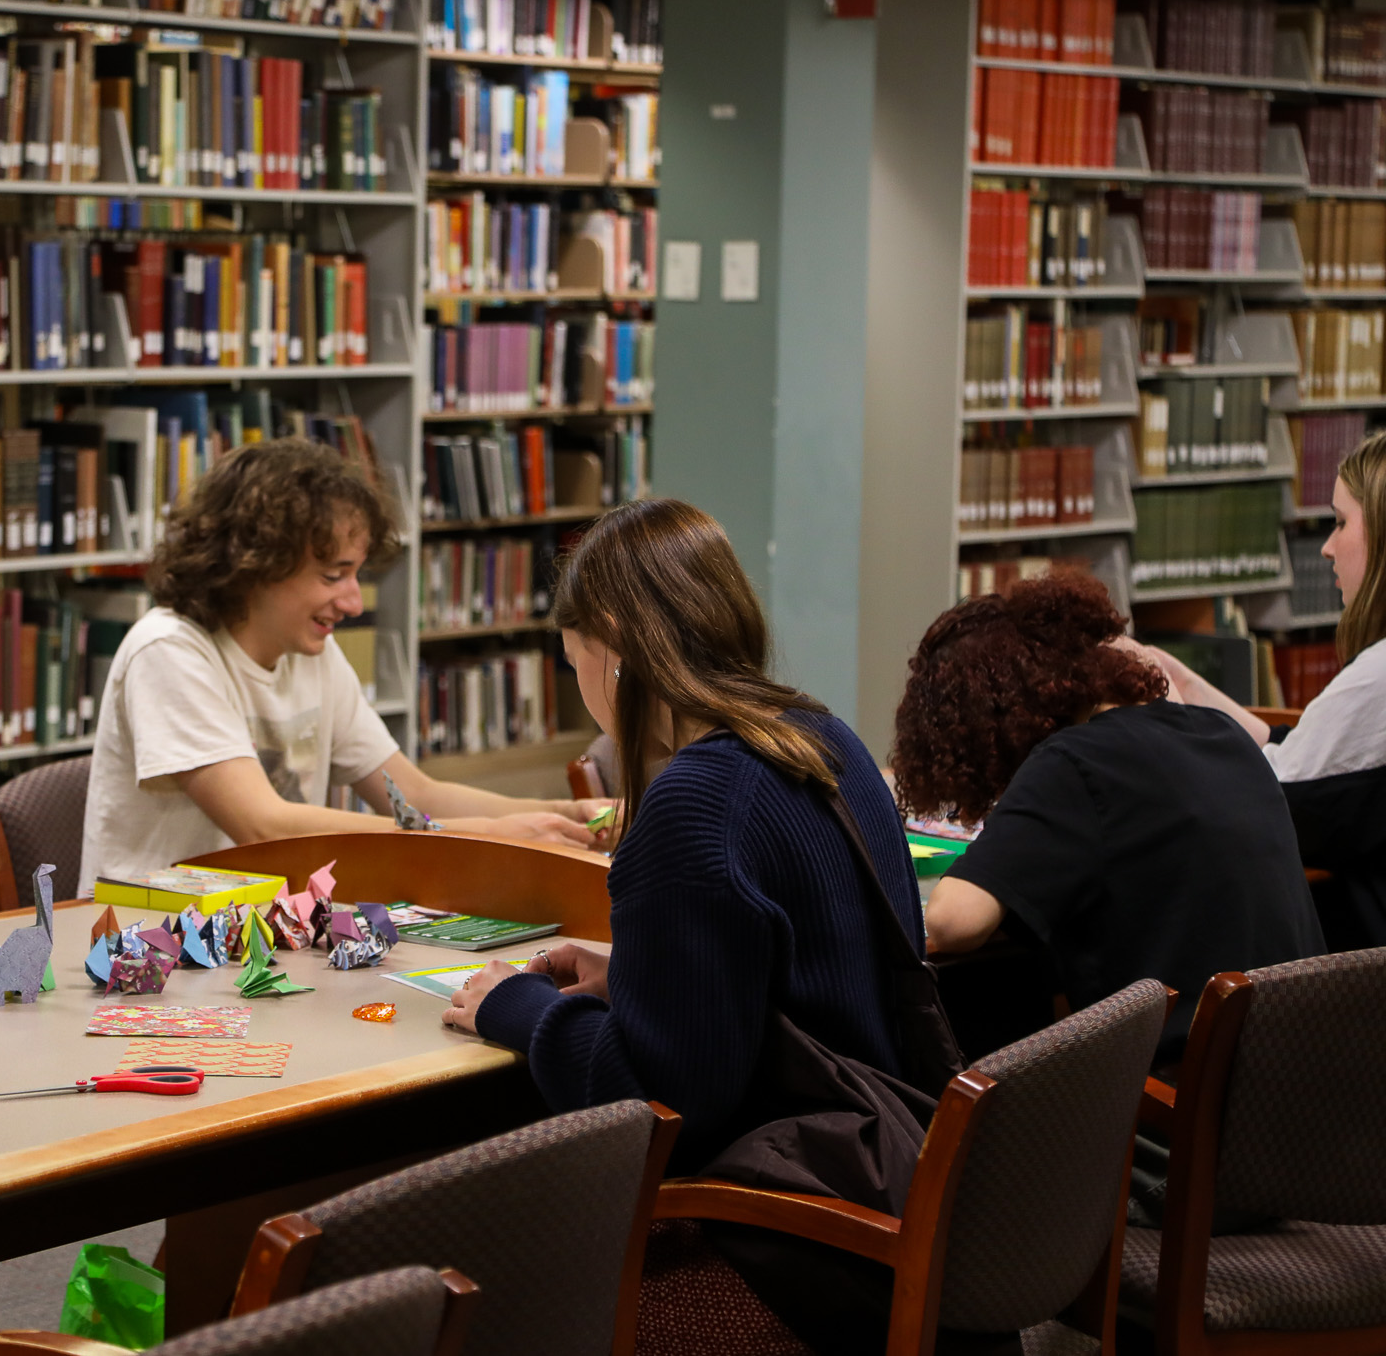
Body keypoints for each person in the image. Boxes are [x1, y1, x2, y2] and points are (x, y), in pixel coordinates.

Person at [441, 497, 922, 1353]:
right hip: (884, 1179)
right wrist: (632, 970)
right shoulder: (822, 736)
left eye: (574, 657)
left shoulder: (695, 803)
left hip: (787, 1235)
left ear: (617, 645)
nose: (578, 682)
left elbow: (662, 1101)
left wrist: (515, 1008)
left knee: (478, 1293)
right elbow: (794, 967)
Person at [79, 440, 604, 894]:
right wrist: (491, 834)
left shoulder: (313, 652)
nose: (354, 602)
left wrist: (560, 814)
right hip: (145, 947)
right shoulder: (169, 651)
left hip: (260, 933)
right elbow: (263, 826)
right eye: (334, 576)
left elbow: (412, 794)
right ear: (253, 566)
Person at [891, 570, 1322, 1062]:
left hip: (1193, 1099)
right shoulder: (1216, 731)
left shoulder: (1072, 762)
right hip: (1308, 1080)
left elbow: (952, 923)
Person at [1133, 432, 1386, 950]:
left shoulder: (1377, 676)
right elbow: (1308, 762)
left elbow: (1273, 802)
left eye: (1341, 523)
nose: (1327, 546)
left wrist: (1172, 724)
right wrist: (1186, 683)